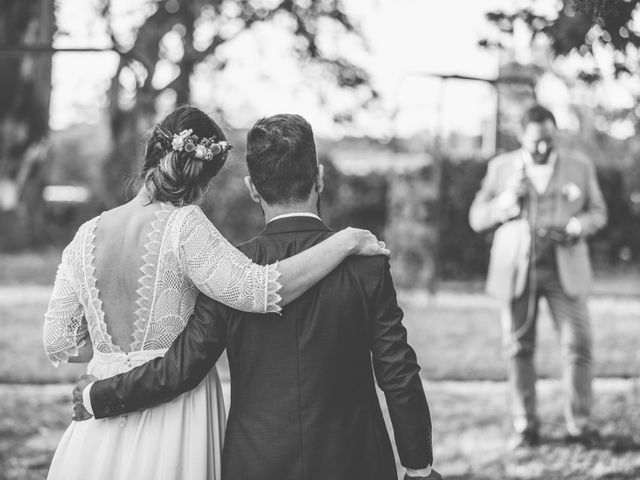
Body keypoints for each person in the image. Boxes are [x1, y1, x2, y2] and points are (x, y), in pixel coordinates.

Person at [71, 114, 440, 480]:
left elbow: (180, 369)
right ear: (320, 178)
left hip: (256, 462)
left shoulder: (229, 268)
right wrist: (419, 468)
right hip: (356, 461)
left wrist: (98, 396)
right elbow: (399, 374)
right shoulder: (367, 264)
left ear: (252, 188)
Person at [469, 105, 607, 448]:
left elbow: (598, 211)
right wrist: (503, 203)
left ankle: (580, 423)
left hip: (565, 270)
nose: (543, 147)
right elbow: (477, 217)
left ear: (555, 133)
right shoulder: (501, 168)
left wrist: (579, 225)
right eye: (536, 142)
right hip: (517, 269)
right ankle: (525, 424)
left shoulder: (580, 166)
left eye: (549, 139)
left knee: (578, 344)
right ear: (522, 137)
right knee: (518, 346)